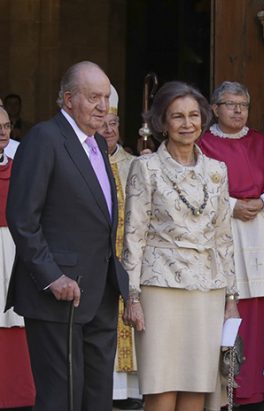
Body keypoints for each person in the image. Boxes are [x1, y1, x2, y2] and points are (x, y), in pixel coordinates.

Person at [5, 61, 129, 411]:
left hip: (100, 293)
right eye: (94, 97)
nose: (103, 107)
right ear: (69, 99)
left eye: (106, 97)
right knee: (62, 399)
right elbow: (23, 218)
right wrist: (52, 277)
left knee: (96, 398)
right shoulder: (45, 139)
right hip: (58, 295)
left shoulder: (98, 146)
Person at [122, 81, 237, 411]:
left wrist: (231, 298)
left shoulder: (217, 171)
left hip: (207, 290)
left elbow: (223, 238)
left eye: (193, 116)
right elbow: (134, 235)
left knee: (198, 387)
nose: (187, 124)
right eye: (177, 117)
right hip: (159, 288)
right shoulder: (145, 168)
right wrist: (132, 296)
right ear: (162, 122)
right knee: (161, 386)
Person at [198, 81, 264, 410]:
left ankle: (258, 392)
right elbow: (197, 188)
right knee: (229, 315)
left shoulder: (261, 143)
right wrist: (232, 204)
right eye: (230, 104)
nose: (238, 110)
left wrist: (263, 202)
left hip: (260, 234)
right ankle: (227, 391)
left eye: (243, 105)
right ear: (215, 108)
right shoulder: (203, 145)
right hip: (225, 235)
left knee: (261, 316)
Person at [95, 85, 141, 410]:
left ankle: (129, 393)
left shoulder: (136, 164)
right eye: (104, 125)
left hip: (130, 259)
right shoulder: (86, 162)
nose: (110, 130)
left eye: (115, 124)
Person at [0, 106, 35, 410]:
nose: (2, 132)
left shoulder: (20, 163)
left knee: (19, 321)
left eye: (7, 125)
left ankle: (20, 394)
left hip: (14, 247)